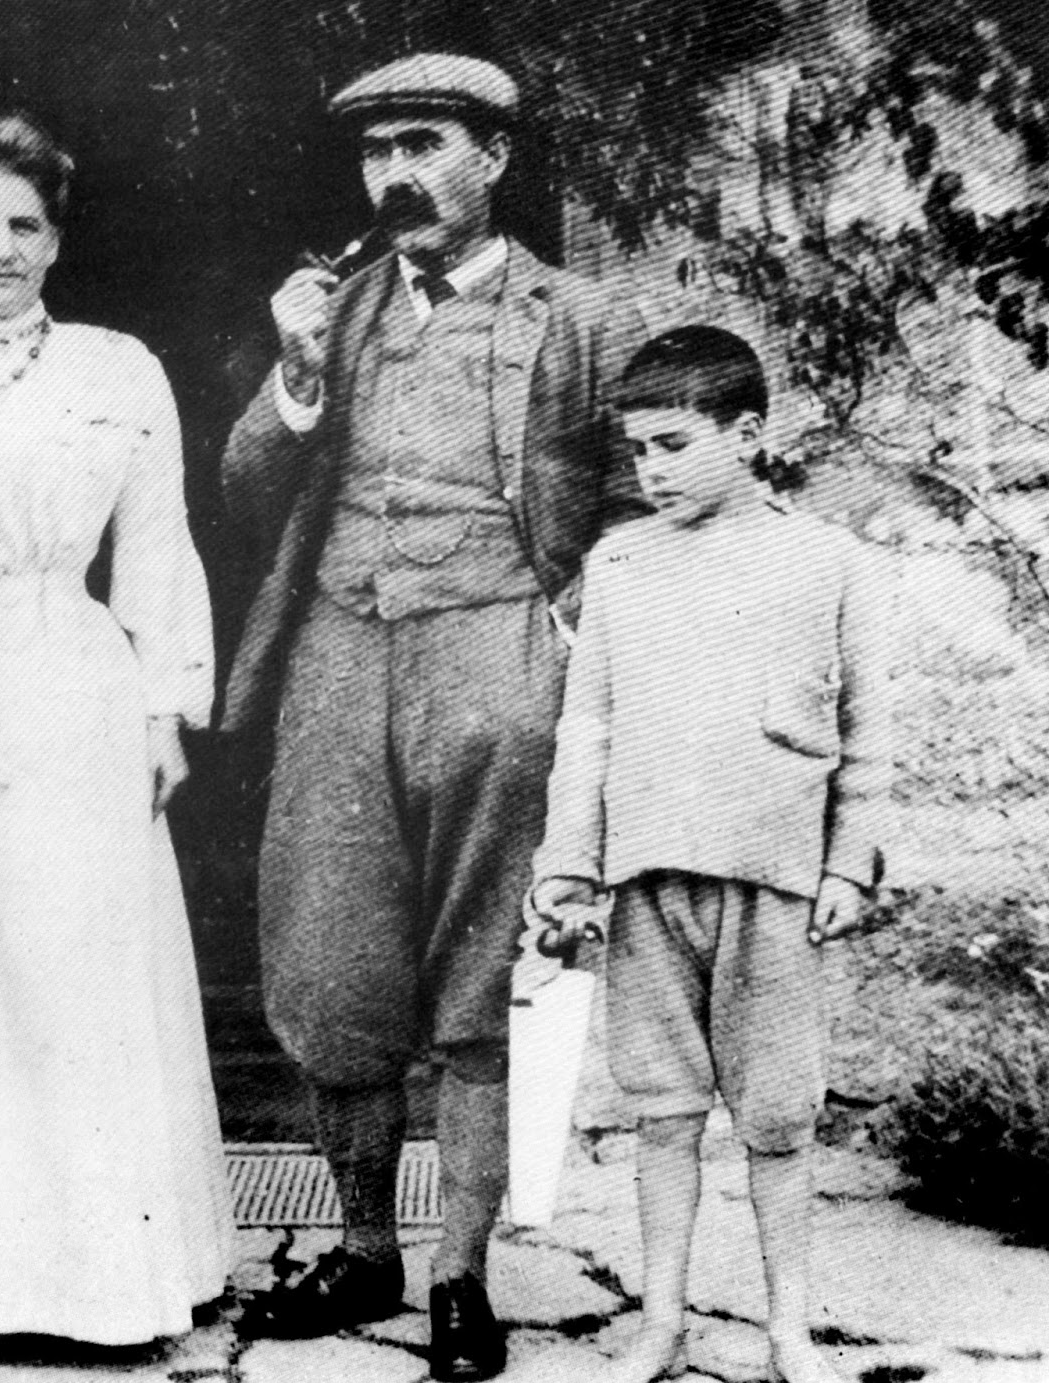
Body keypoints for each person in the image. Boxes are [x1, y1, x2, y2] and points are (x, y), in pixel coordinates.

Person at [221, 50, 648, 1383]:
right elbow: (242, 491)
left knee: (483, 974)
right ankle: (364, 1249)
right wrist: (294, 377)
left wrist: (570, 637)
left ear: (494, 157)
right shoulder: (333, 311)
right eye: (376, 151)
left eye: (424, 144)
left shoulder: (583, 318)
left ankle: (460, 1272)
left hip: (498, 657)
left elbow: (640, 504)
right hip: (338, 659)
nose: (395, 173)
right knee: (330, 963)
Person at [0, 106, 234, 1353]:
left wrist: (165, 707)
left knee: (85, 974)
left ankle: (111, 1289)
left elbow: (158, 546)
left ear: (56, 239)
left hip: (80, 691)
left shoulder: (116, 369)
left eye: (24, 225)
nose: (1, 248)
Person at [530, 325, 891, 1383]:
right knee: (662, 1112)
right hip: (649, 880)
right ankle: (660, 1323)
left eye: (675, 444)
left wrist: (846, 864)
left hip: (774, 878)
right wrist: (567, 864)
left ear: (748, 433)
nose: (652, 470)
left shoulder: (830, 562)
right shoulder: (619, 563)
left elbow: (868, 732)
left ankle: (789, 1329)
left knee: (778, 1117)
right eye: (639, 449)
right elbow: (587, 727)